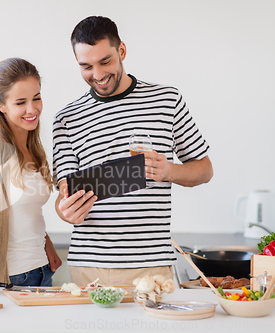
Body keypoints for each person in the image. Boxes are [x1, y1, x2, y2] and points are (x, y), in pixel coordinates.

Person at [53, 16, 213, 286]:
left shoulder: (167, 100)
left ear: (122, 51)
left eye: (105, 62)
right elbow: (63, 196)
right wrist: (65, 211)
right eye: (86, 67)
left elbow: (205, 170)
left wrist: (169, 170)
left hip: (152, 268)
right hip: (89, 268)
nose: (98, 75)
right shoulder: (66, 119)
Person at [0, 58, 62, 287]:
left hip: (42, 271)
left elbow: (28, 209)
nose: (32, 109)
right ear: (1, 105)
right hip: (12, 277)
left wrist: (47, 244)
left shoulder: (34, 148)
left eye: (36, 98)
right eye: (21, 102)